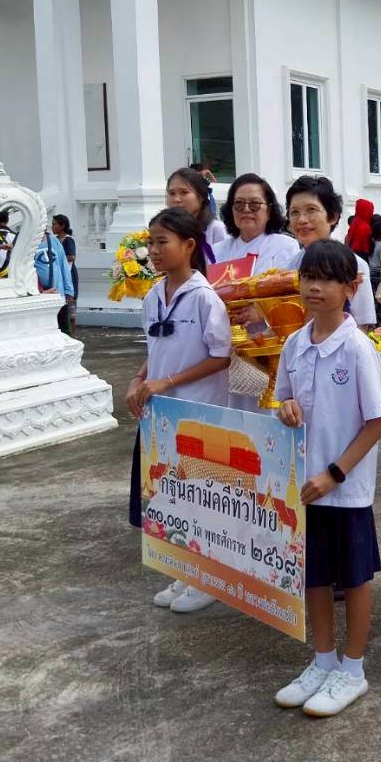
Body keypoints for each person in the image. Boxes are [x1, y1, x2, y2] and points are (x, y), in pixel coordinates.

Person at [272, 240, 381, 717]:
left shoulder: (359, 349)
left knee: (354, 578)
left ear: (350, 287)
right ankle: (322, 661)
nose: (314, 288)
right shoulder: (294, 343)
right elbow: (280, 400)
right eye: (307, 278)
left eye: (326, 280)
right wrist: (286, 408)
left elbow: (377, 422)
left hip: (345, 489)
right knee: (314, 577)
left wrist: (335, 474)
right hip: (305, 485)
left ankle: (353, 668)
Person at [125, 207, 233, 614]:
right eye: (150, 242)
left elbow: (221, 357)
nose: (153, 250)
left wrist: (166, 383)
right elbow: (156, 350)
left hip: (199, 411)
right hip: (163, 416)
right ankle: (187, 571)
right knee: (174, 495)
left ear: (188, 246)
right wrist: (139, 379)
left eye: (162, 242)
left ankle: (209, 579)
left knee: (203, 496)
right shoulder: (153, 296)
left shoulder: (205, 299)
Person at [284, 176, 376, 328]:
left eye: (311, 210)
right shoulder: (291, 265)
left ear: (333, 216)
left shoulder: (355, 266)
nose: (301, 220)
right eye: (294, 212)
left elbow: (361, 326)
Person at [212, 173, 299, 271]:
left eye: (255, 203)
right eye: (239, 203)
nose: (246, 209)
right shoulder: (216, 251)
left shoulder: (285, 246)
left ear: (269, 210)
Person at [167, 167, 227, 262]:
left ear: (201, 196)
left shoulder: (216, 229)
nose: (176, 199)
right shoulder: (165, 230)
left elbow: (227, 268)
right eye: (172, 193)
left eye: (184, 192)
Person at [35, 225, 76, 335]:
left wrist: (69, 290)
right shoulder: (28, 243)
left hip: (59, 294)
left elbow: (63, 265)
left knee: (64, 329)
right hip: (40, 295)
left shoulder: (53, 241)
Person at [52, 215, 78, 335]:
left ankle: (72, 335)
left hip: (68, 274)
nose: (52, 227)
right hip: (60, 275)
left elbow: (72, 256)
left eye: (54, 224)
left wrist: (57, 257)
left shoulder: (68, 240)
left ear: (62, 226)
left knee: (70, 311)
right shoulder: (55, 239)